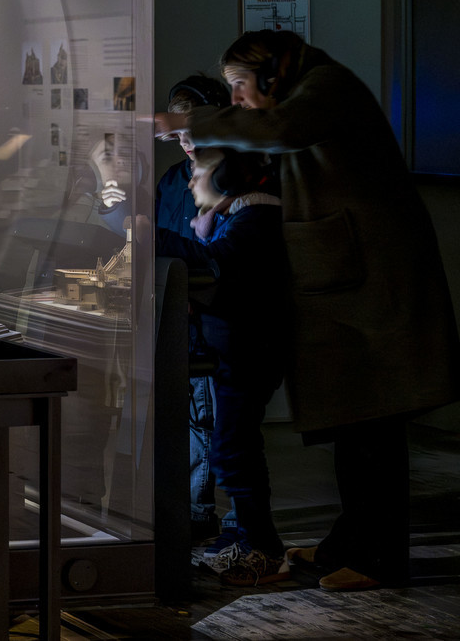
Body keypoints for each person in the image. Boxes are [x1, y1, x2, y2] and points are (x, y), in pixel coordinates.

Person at [155, 29, 460, 590]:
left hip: (373, 294)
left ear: (272, 72)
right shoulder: (311, 94)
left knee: (372, 433)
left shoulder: (326, 87)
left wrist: (184, 122)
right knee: (355, 431)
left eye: (241, 86)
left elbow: (282, 131)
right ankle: (349, 543)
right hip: (347, 293)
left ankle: (377, 560)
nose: (239, 101)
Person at [156, 146, 288, 585]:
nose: (190, 180)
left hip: (249, 356)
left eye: (200, 172)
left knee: (233, 450)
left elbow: (219, 265)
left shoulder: (254, 221)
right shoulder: (237, 218)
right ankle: (252, 539)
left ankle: (263, 548)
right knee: (232, 448)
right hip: (236, 356)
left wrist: (151, 235)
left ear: (228, 177)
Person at [156, 75, 238, 546]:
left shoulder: (231, 179)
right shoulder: (173, 180)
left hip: (210, 321)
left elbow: (211, 258)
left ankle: (206, 512)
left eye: (193, 128)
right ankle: (189, 507)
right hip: (176, 320)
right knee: (187, 417)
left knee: (209, 421)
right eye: (179, 132)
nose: (185, 142)